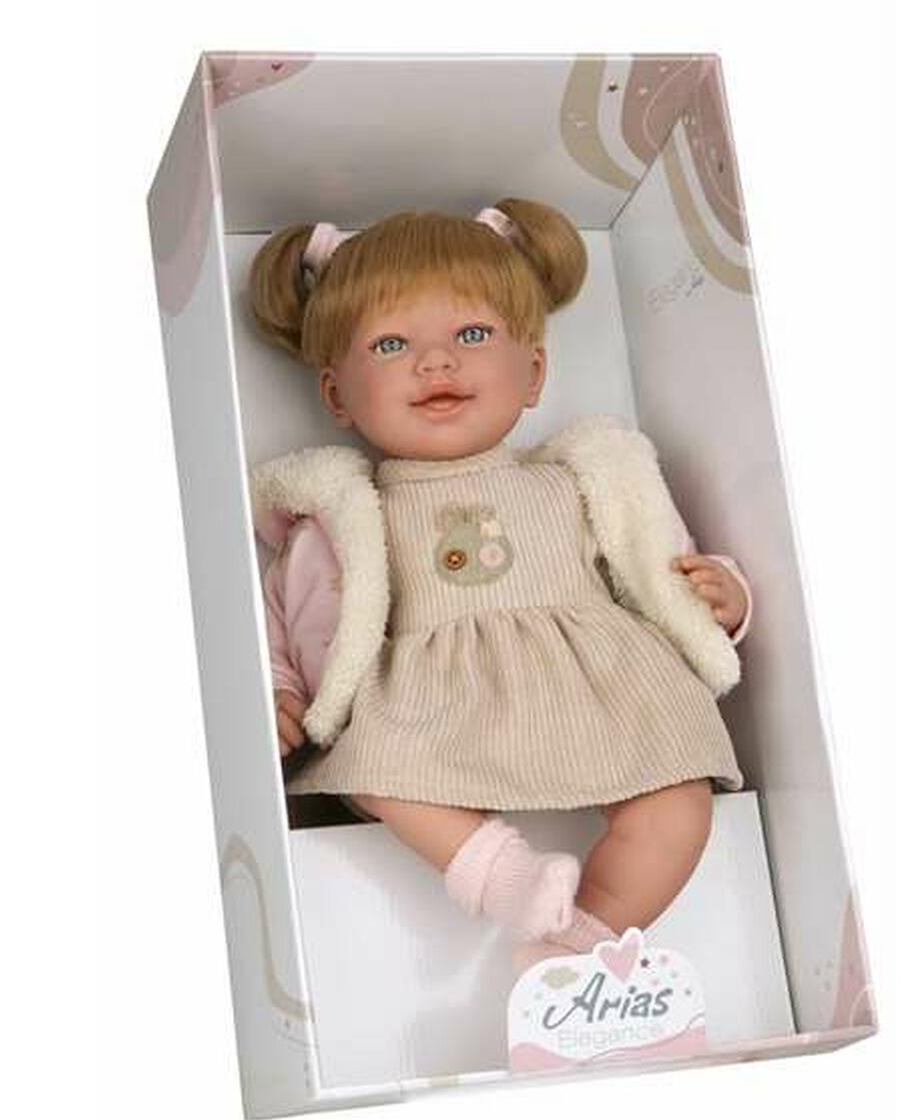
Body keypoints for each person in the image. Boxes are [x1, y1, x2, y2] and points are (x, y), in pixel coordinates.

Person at [249, 198, 753, 971]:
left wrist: (725, 594)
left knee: (679, 803)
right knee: (377, 773)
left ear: (534, 373)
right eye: (391, 344)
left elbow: (659, 569)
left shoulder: (577, 478)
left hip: (596, 688)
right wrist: (281, 695)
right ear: (338, 396)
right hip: (432, 708)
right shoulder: (346, 519)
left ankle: (571, 952)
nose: (436, 363)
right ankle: (500, 877)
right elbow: (288, 625)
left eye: (473, 335)